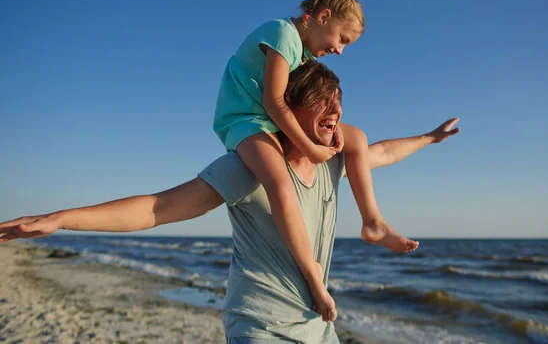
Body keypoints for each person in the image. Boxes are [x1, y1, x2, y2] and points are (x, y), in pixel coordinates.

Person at [0, 61, 459, 343]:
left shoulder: (335, 159)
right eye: (322, 100)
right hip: (258, 326)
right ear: (288, 111)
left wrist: (428, 138)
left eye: (338, 99)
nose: (335, 110)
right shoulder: (250, 166)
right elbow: (157, 208)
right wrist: (61, 219)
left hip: (318, 328)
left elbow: (382, 151)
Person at [214, 0, 417, 320]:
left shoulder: (303, 54)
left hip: (266, 119)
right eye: (342, 40)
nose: (339, 50)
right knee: (280, 182)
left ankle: (373, 223)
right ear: (323, 17)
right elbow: (275, 102)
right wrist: (310, 146)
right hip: (245, 120)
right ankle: (313, 274)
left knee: (357, 138)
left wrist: (331, 131)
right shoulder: (284, 36)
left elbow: (305, 104)